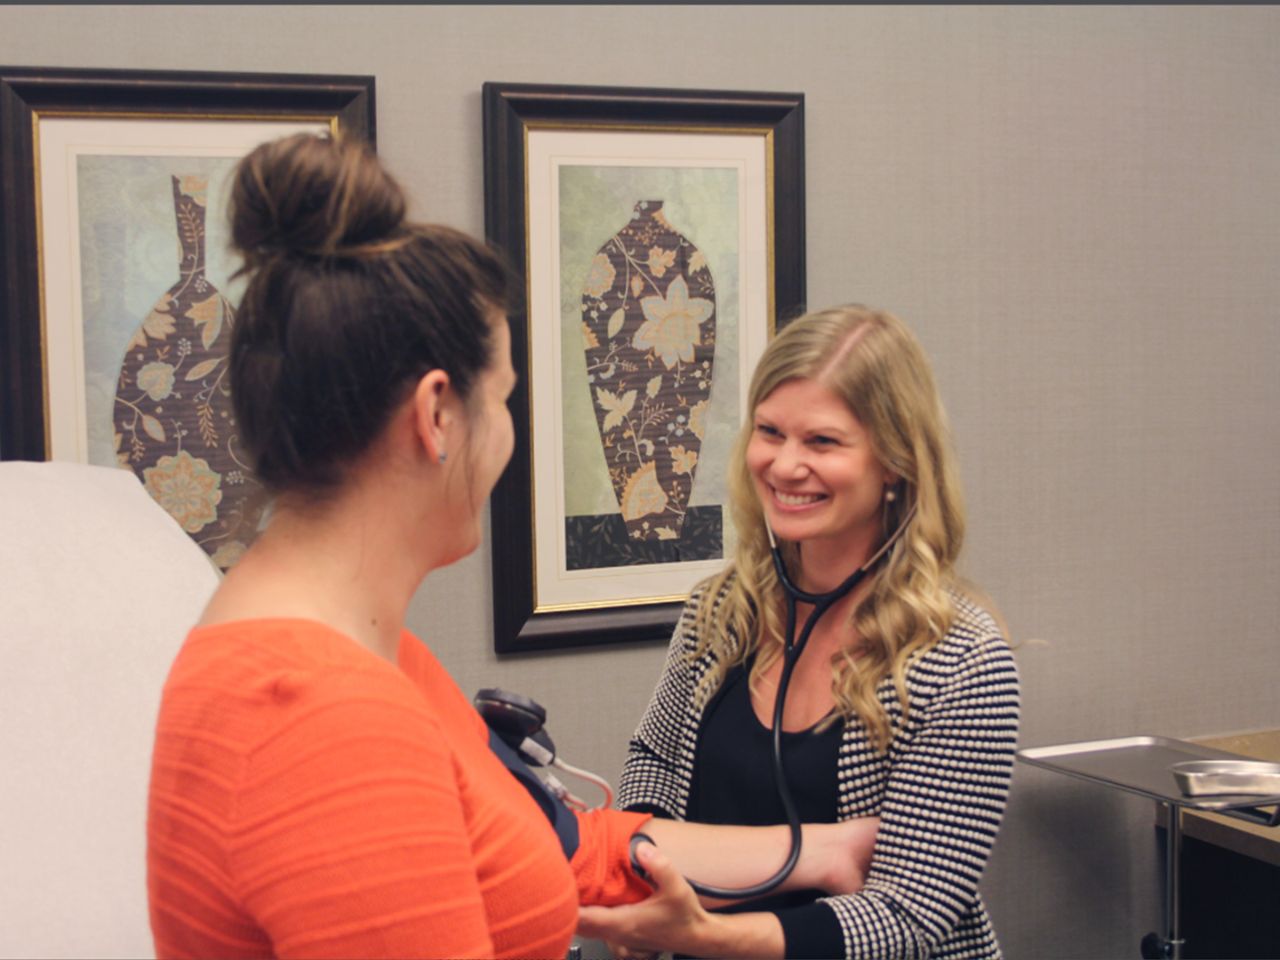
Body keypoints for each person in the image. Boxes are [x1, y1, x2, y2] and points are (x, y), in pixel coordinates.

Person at [144, 133, 880, 960]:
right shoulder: (322, 719)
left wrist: (824, 847)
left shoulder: (361, 657)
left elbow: (561, 845)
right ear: (435, 416)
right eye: (502, 400)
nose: (508, 433)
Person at [580, 306, 1022, 959]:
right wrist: (642, 881)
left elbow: (910, 914)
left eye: (822, 442)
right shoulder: (723, 606)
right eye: (770, 432)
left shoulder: (961, 659)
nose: (785, 466)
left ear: (895, 462)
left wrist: (707, 935)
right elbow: (656, 762)